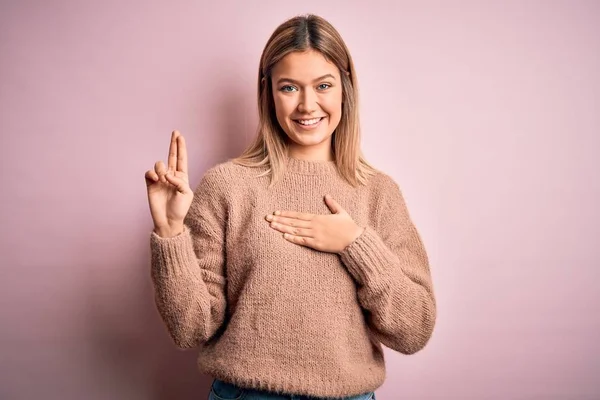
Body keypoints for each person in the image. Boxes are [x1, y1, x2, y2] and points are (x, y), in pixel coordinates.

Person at [144, 14, 436, 400]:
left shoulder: (378, 193)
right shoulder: (227, 186)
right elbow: (191, 329)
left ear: (345, 89)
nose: (307, 104)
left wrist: (356, 244)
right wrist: (170, 232)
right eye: (289, 87)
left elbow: (414, 329)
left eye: (323, 85)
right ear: (268, 93)